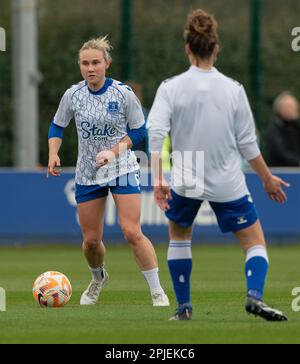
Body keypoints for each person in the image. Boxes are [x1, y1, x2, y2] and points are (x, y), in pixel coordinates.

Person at [147, 9, 289, 321]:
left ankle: (183, 309)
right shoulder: (233, 89)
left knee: (180, 237)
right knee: (254, 242)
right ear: (216, 48)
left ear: (187, 48)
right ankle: (254, 296)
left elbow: (155, 133)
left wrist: (158, 178)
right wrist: (267, 178)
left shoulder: (170, 87)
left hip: (187, 176)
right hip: (227, 179)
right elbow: (247, 143)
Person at [47, 36, 169, 307]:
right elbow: (57, 126)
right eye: (85, 63)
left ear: (107, 64)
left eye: (96, 63)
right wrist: (53, 153)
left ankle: (157, 291)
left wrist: (113, 152)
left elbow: (139, 131)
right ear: (80, 66)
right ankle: (98, 277)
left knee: (131, 232)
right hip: (88, 173)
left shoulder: (123, 94)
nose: (90, 68)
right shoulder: (73, 95)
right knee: (91, 241)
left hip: (122, 167)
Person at [264, 91, 300, 166]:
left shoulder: (296, 125)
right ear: (280, 109)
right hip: (280, 172)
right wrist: (297, 162)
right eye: (290, 106)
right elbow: (281, 153)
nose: (295, 109)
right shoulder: (274, 129)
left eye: (295, 105)